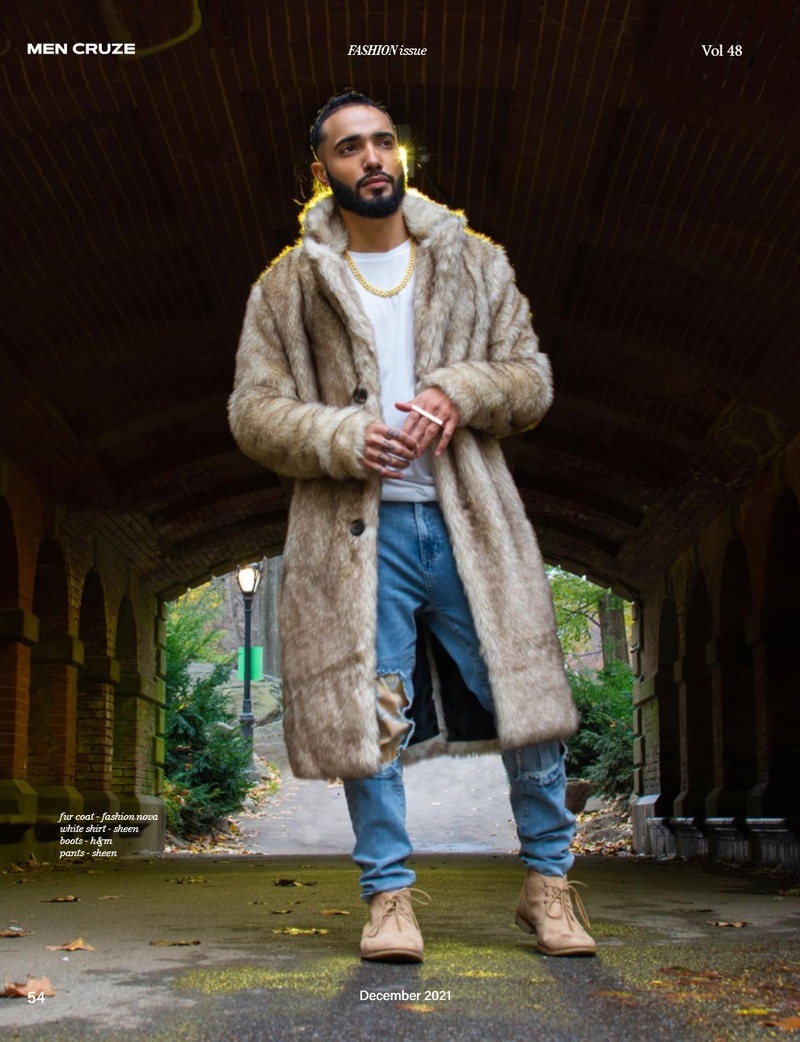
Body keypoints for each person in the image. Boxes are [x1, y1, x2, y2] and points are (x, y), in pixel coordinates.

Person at [228, 91, 596, 963]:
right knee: (375, 716)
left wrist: (458, 390)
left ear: (403, 157)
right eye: (351, 147)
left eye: (384, 142)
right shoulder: (287, 287)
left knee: (529, 705)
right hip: (357, 539)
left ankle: (549, 884)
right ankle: (388, 898)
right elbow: (253, 411)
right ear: (323, 169)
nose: (373, 158)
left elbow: (532, 381)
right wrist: (342, 436)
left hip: (473, 526)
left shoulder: (476, 263)